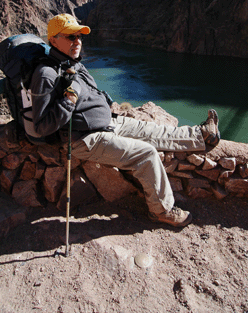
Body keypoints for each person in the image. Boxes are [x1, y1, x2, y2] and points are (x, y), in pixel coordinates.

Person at [30, 13, 220, 227]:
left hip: (108, 122)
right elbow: (41, 127)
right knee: (147, 154)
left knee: (151, 129)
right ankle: (162, 210)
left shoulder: (74, 64)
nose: (77, 42)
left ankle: (200, 136)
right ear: (53, 40)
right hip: (83, 138)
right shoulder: (46, 74)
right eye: (70, 37)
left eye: (79, 37)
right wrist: (69, 101)